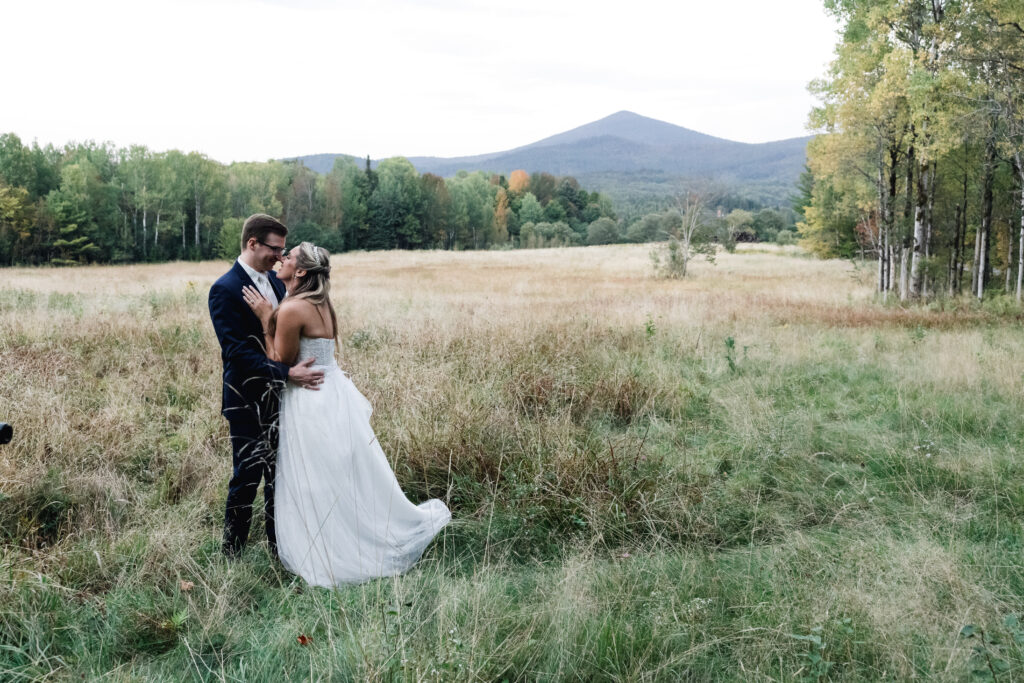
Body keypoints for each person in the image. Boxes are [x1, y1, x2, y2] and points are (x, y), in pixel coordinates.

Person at [242, 241, 450, 585]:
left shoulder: (293, 308)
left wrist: (267, 320)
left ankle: (331, 547)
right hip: (332, 393)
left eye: (289, 256)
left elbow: (280, 362)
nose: (282, 258)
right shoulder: (321, 303)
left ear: (302, 271)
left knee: (315, 478)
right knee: (340, 473)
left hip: (309, 398)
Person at [208, 214, 324, 557]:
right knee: (247, 477)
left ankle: (280, 549)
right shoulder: (224, 289)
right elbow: (237, 353)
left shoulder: (276, 284)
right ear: (252, 243)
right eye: (274, 248)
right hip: (246, 397)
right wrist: (286, 373)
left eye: (283, 250)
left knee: (281, 477)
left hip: (283, 399)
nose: (279, 256)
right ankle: (232, 554)